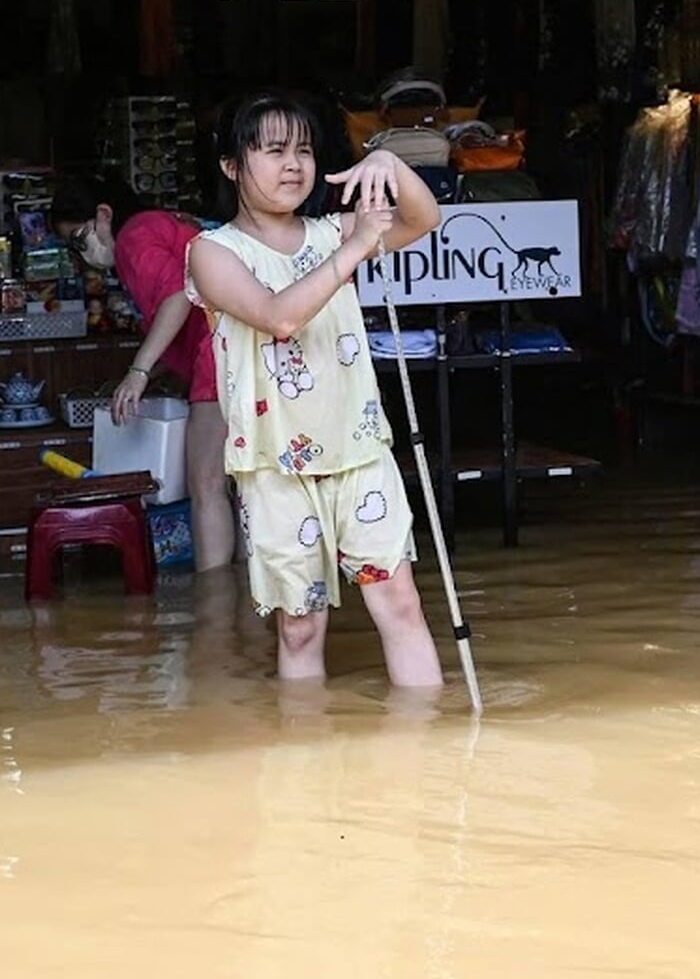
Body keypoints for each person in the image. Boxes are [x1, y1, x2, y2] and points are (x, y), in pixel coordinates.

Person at [185, 91, 444, 688]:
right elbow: (278, 317)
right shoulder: (213, 253)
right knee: (299, 627)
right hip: (276, 464)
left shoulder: (330, 232)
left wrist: (391, 165)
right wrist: (354, 249)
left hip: (359, 448)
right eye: (273, 151)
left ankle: (431, 760)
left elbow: (423, 219)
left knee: (400, 604)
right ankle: (306, 767)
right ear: (231, 165)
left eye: (303, 150)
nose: (294, 165)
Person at [49, 177, 238, 573]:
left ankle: (216, 611)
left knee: (206, 486)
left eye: (79, 239)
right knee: (243, 487)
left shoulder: (134, 237)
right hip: (245, 347)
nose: (81, 254)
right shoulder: (160, 225)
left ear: (103, 216)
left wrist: (138, 371)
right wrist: (151, 375)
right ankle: (245, 604)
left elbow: (177, 295)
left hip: (221, 352)